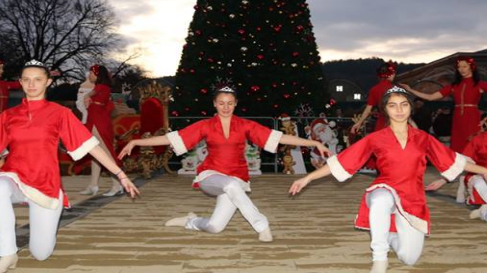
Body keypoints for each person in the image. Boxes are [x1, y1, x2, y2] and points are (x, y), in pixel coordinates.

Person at [0, 60, 139, 273]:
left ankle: (44, 228)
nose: (31, 84)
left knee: (40, 254)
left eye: (37, 79)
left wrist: (120, 174)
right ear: (20, 82)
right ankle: (7, 253)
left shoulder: (59, 113)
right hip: (15, 178)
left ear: (47, 82)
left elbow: (91, 147)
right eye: (27, 80)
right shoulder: (9, 116)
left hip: (45, 185)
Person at [289, 86, 487, 272]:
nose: (399, 110)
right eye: (393, 105)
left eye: (403, 105)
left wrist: (483, 170)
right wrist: (308, 178)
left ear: (410, 108)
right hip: (385, 188)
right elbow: (344, 161)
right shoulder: (375, 138)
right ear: (386, 110)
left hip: (413, 198)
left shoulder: (424, 138)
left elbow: (452, 160)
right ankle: (379, 259)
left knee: (409, 258)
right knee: (382, 199)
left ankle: (389, 236)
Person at [119, 85, 330, 242]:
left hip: (236, 179)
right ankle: (262, 226)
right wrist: (137, 141)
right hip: (210, 177)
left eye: (230, 103)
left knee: (215, 227)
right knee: (231, 184)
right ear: (214, 104)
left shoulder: (245, 125)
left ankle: (190, 221)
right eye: (221, 103)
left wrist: (313, 142)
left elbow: (279, 137)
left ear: (235, 104)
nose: (226, 107)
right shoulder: (205, 125)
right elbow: (172, 138)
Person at [402, 57, 487, 153]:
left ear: (471, 67)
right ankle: (460, 170)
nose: (461, 69)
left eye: (464, 66)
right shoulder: (454, 86)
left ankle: (475, 170)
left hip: (472, 117)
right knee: (457, 145)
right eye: (459, 67)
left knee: (473, 143)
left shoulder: (479, 84)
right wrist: (411, 90)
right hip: (458, 118)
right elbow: (431, 97)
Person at [76, 64, 123, 196]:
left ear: (98, 75)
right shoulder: (100, 87)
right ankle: (93, 185)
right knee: (96, 153)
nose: (89, 75)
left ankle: (117, 184)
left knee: (106, 154)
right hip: (94, 121)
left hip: (99, 122)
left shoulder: (102, 86)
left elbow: (88, 95)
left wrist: (87, 97)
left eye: (92, 73)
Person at [351, 61, 397, 135]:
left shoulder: (374, 89)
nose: (394, 75)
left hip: (381, 124)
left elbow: (368, 109)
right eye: (394, 73)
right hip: (396, 123)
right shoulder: (396, 89)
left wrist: (359, 122)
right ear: (390, 74)